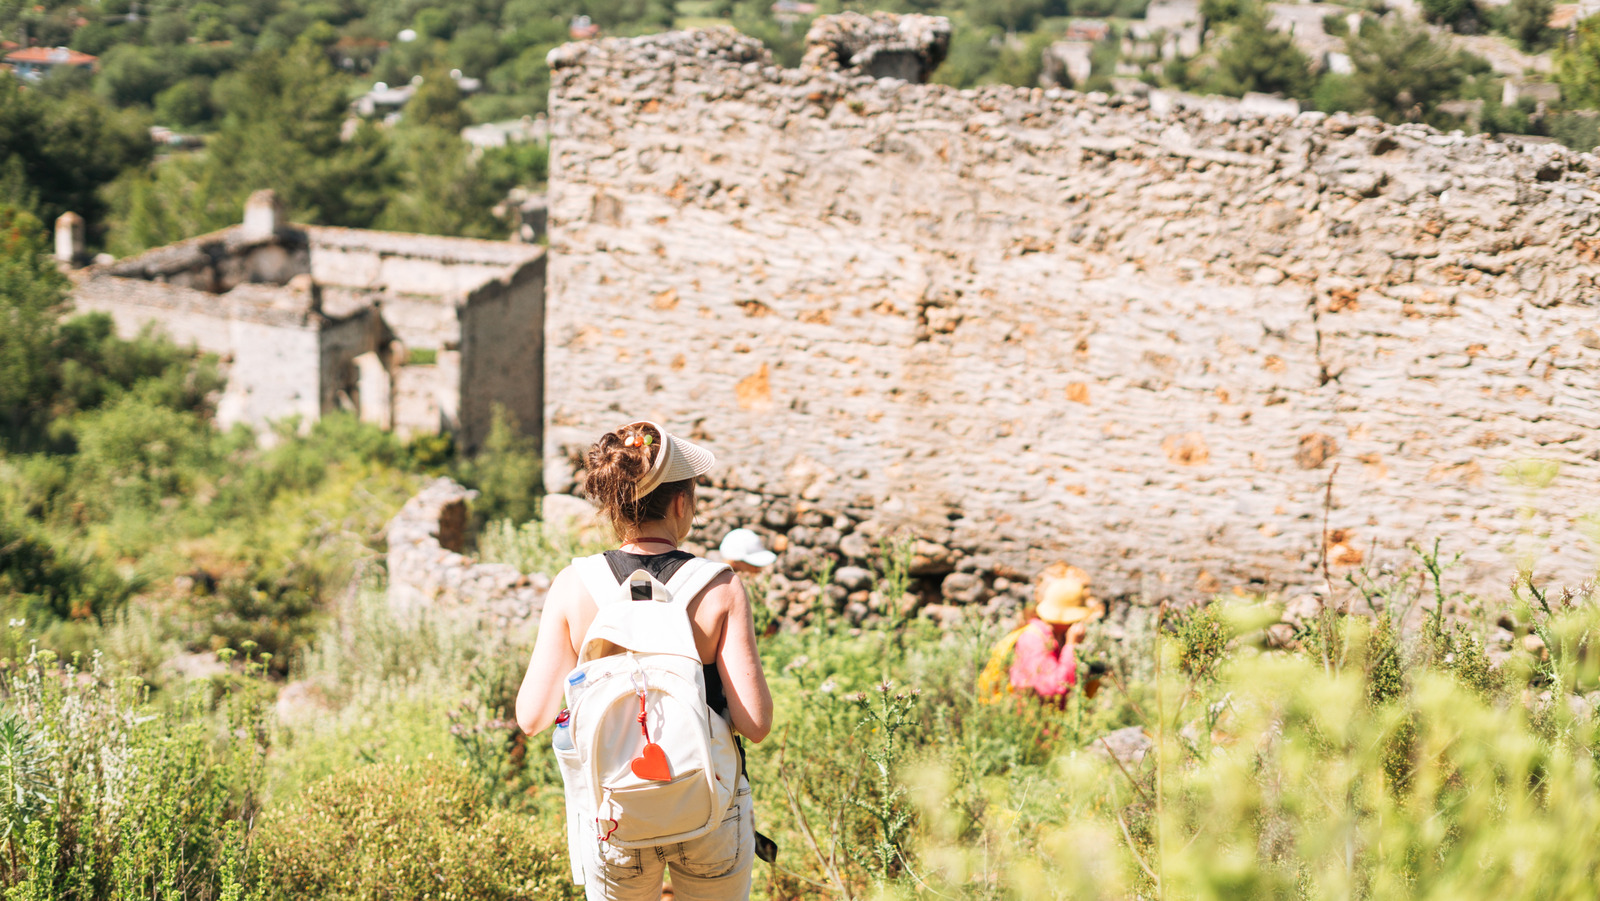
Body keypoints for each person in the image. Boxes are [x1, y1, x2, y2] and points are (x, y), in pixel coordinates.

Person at [516, 421, 774, 901]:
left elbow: (531, 718)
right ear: (680, 503)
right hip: (711, 806)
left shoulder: (575, 585)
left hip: (615, 813)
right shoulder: (719, 586)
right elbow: (754, 724)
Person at [978, 563, 1104, 705]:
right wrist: (1071, 646)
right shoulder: (1033, 639)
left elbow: (1076, 692)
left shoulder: (1057, 636)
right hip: (1026, 722)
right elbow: (1053, 689)